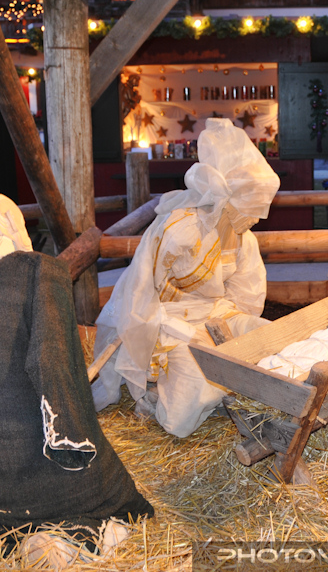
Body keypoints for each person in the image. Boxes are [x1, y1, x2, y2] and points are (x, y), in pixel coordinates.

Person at [0, 193, 153, 563]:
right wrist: (72, 436)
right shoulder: (41, 269)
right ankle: (67, 538)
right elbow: (54, 360)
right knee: (118, 501)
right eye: (18, 220)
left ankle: (20, 541)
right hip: (42, 457)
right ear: (8, 222)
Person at [93, 118, 281, 437]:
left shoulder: (242, 236)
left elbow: (245, 294)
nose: (257, 217)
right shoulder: (180, 229)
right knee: (195, 391)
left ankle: (243, 387)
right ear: (229, 194)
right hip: (168, 323)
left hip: (216, 314)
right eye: (253, 206)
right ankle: (159, 394)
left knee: (269, 336)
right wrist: (152, 341)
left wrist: (234, 335)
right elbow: (142, 293)